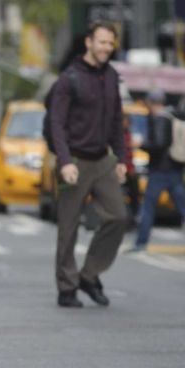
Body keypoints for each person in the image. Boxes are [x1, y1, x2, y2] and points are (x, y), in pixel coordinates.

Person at [49, 22, 128, 308]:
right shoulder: (69, 78)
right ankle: (67, 287)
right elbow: (57, 124)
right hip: (74, 160)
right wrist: (65, 161)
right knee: (68, 227)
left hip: (103, 159)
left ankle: (89, 274)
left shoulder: (111, 76)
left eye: (110, 44)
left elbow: (117, 120)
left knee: (118, 217)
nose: (107, 48)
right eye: (102, 42)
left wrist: (122, 158)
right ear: (89, 42)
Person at [130, 90, 185, 251]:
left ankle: (141, 243)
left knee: (148, 206)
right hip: (175, 168)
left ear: (151, 103)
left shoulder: (160, 118)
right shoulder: (173, 115)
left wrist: (141, 145)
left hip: (160, 170)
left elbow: (160, 144)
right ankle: (140, 242)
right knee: (182, 206)